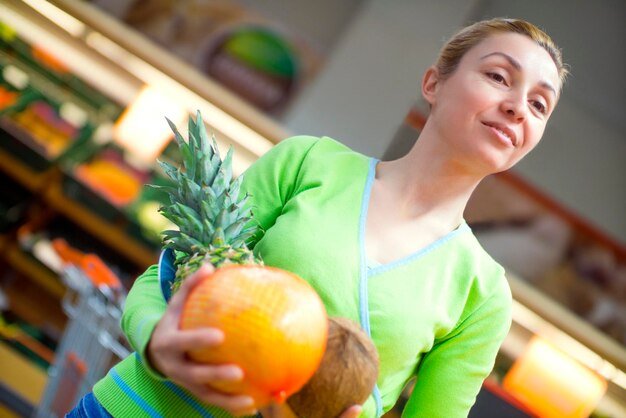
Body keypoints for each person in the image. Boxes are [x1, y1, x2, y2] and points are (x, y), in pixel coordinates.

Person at [68, 17, 567, 418]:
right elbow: (165, 277)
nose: (517, 107)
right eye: (499, 77)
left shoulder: (482, 294)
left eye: (539, 104)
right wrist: (158, 344)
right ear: (434, 82)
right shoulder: (307, 163)